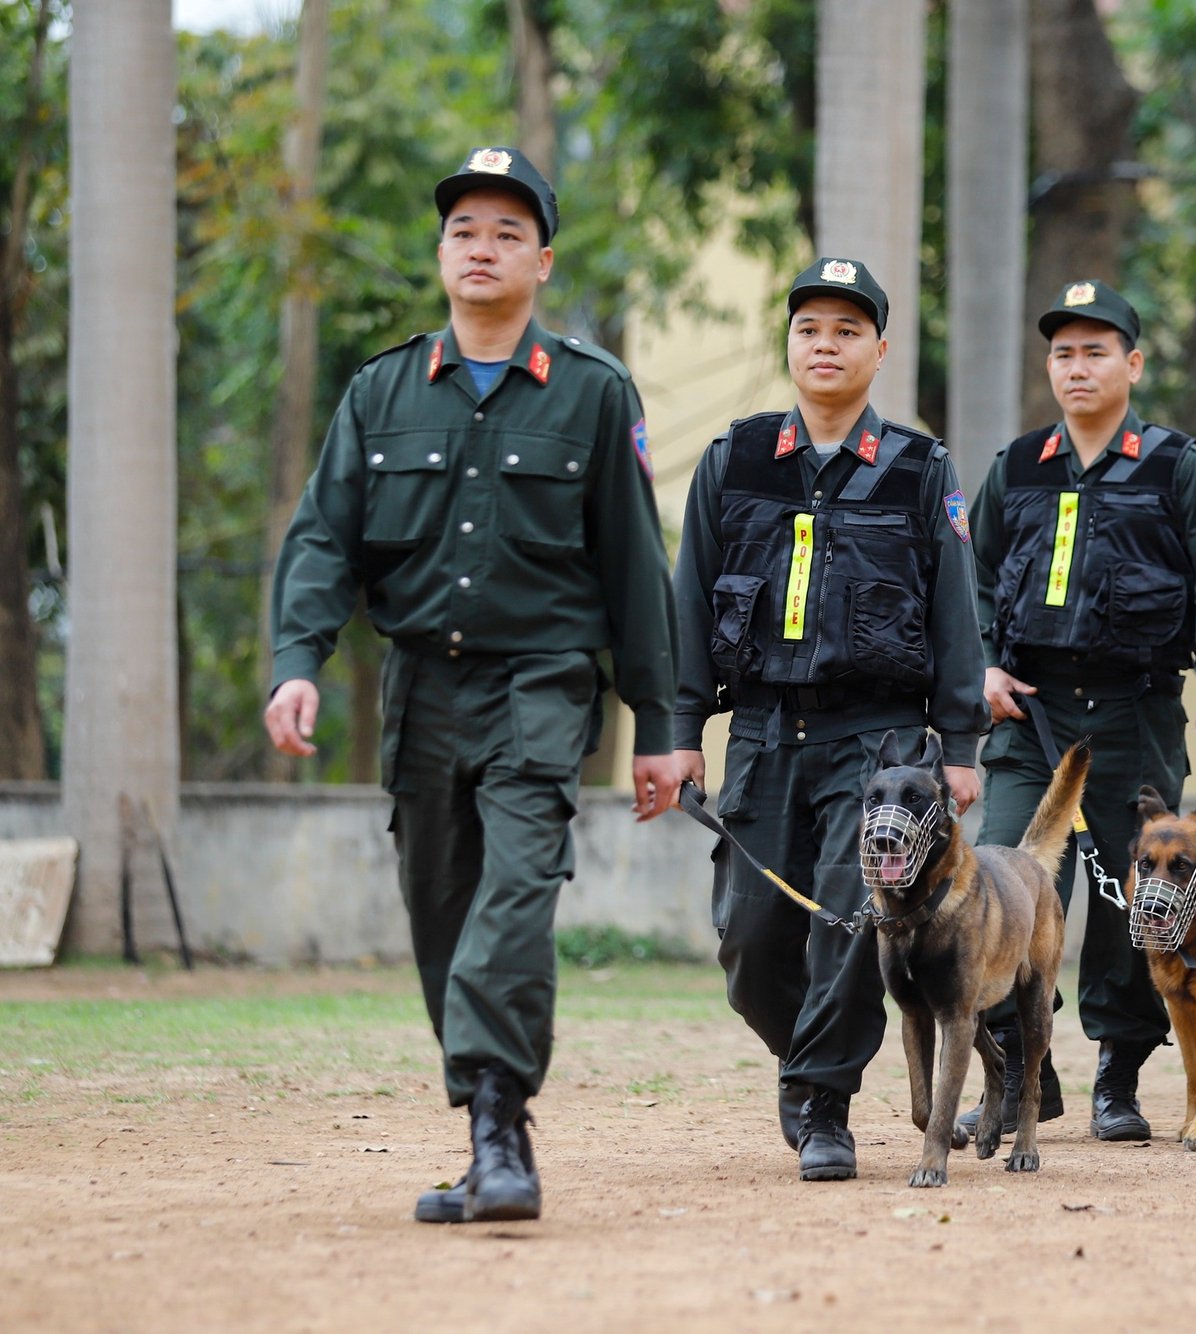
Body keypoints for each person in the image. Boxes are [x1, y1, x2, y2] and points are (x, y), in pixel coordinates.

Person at [264, 146, 677, 1224]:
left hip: (543, 683)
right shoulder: (382, 390)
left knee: (512, 896)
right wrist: (297, 660)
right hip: (422, 691)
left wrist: (661, 722)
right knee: (441, 910)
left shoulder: (591, 393)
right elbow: (322, 540)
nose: (481, 247)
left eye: (505, 231)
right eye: (462, 230)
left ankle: (503, 1133)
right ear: (440, 253)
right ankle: (486, 1126)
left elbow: (634, 565)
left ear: (542, 260)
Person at [660, 257, 987, 1183]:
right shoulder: (735, 460)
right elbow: (687, 604)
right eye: (810, 329)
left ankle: (825, 1105)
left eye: (848, 331)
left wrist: (958, 745)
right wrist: (682, 727)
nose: (826, 345)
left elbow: (957, 613)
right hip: (763, 732)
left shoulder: (921, 470)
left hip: (878, 741)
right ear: (790, 345)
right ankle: (806, 1069)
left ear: (879, 350)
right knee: (750, 936)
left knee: (855, 920)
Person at [965, 279, 1196, 1142]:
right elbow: (971, 578)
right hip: (1030, 720)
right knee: (1009, 890)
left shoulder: (1174, 465)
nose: (1077, 367)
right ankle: (1024, 1072)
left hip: (1131, 716)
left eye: (1096, 351)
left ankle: (1117, 1078)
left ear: (1132, 363)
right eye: (1063, 352)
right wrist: (979, 662)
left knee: (1148, 902)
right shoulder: (1016, 467)